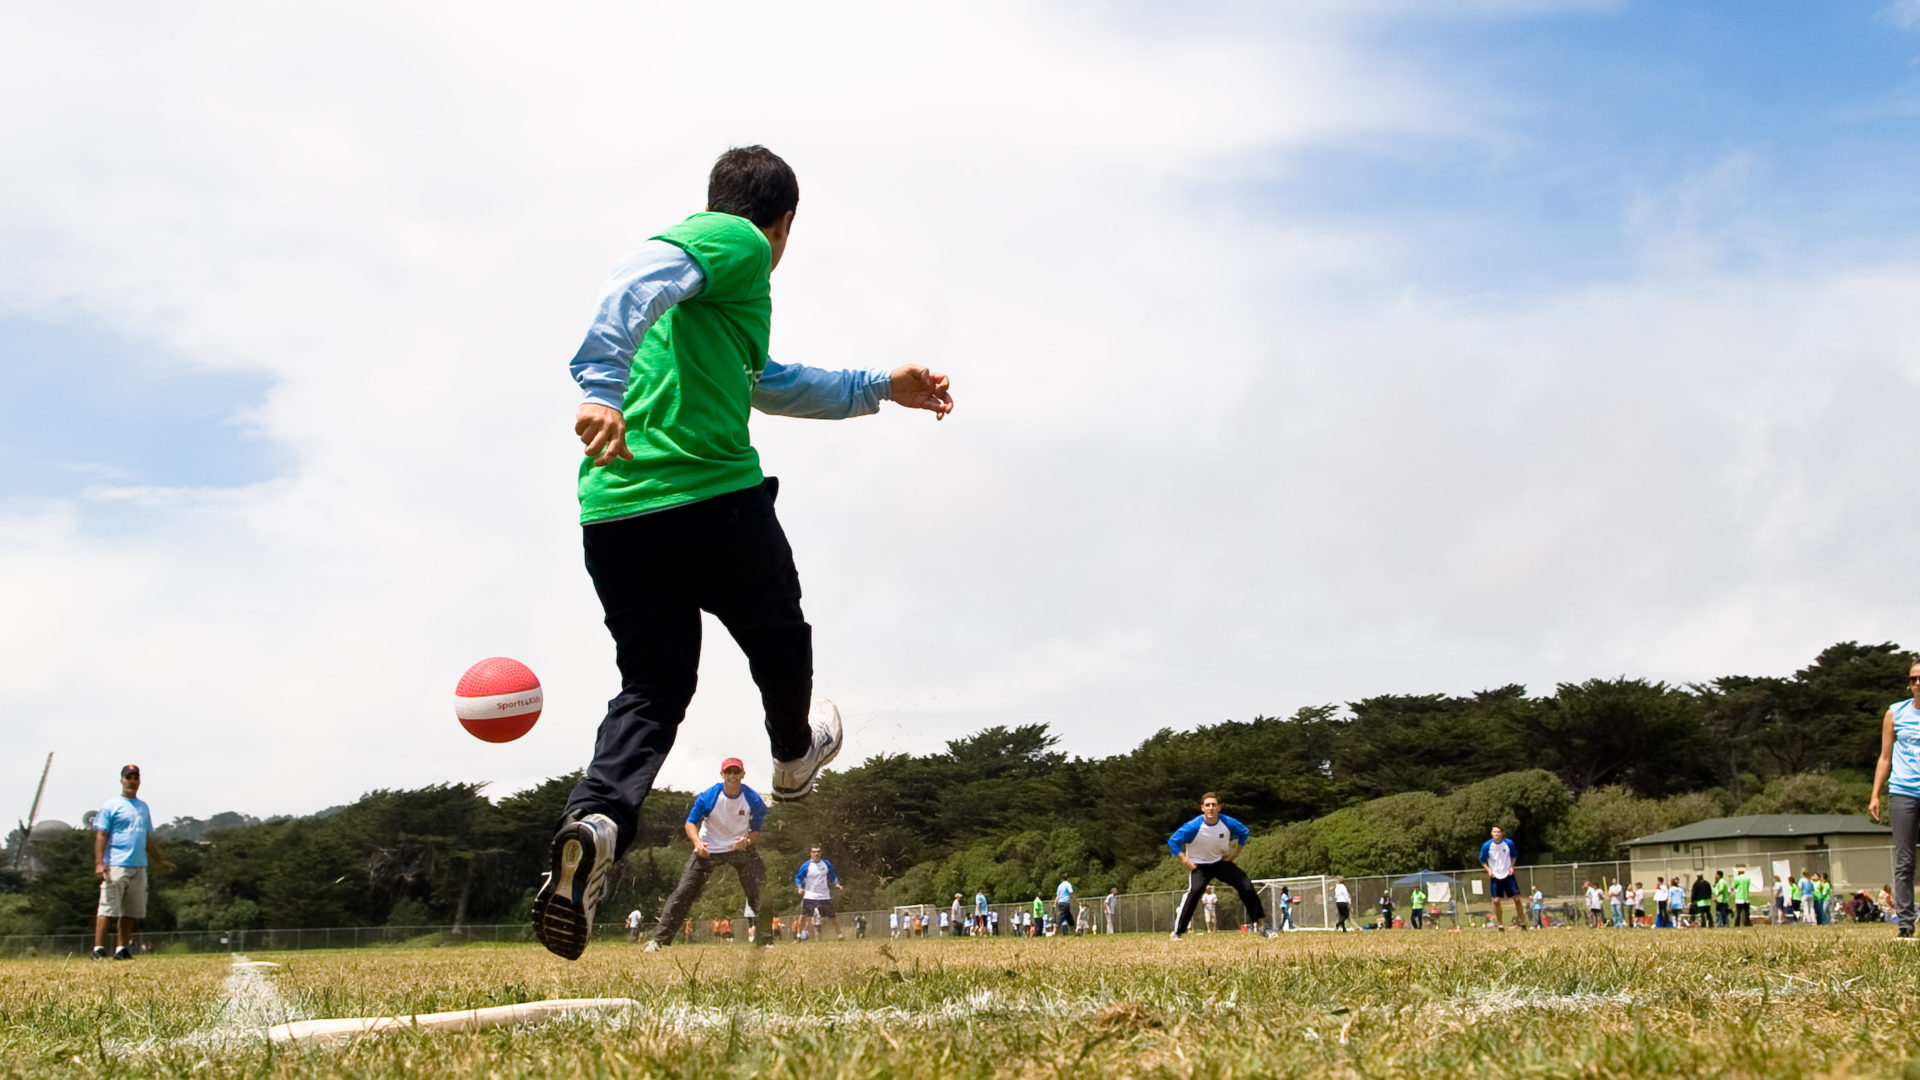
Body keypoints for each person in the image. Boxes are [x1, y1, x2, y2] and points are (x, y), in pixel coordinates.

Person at [532, 146, 956, 961]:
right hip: (713, 501)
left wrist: (877, 386)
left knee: (651, 690)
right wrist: (598, 384)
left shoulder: (716, 311)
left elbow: (769, 378)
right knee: (780, 636)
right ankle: (794, 758)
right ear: (785, 221)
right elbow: (638, 275)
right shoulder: (738, 242)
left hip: (617, 512)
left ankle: (594, 825)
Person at [645, 759, 768, 951]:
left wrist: (748, 841)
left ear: (743, 775)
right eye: (729, 772)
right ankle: (658, 941)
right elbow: (690, 823)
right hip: (709, 849)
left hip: (740, 848)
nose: (733, 776)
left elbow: (760, 833)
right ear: (722, 775)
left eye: (737, 772)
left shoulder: (753, 799)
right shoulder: (710, 796)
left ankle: (765, 940)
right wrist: (697, 842)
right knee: (683, 892)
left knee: (759, 891)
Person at [1166, 792, 1274, 941]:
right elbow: (1173, 841)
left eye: (1214, 805)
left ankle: (1262, 926)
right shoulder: (1193, 826)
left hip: (1220, 862)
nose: (1211, 808)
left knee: (1247, 886)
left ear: (1219, 808)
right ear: (1203, 808)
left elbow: (1244, 833)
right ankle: (1177, 932)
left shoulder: (1228, 823)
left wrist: (1235, 854)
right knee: (1195, 892)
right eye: (1207, 805)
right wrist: (1185, 860)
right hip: (1200, 866)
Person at [91, 765, 173, 961]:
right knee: (108, 908)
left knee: (130, 910)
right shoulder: (111, 806)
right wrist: (99, 863)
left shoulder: (143, 807)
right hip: (116, 864)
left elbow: (145, 837)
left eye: (136, 777)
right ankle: (98, 948)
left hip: (139, 865)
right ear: (122, 780)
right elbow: (101, 835)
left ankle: (122, 948)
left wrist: (159, 861)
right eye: (129, 777)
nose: (132, 781)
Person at [793, 844, 844, 940]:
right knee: (803, 915)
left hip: (824, 895)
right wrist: (799, 887)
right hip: (810, 895)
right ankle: (798, 936)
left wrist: (836, 883)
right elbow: (799, 878)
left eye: (818, 851)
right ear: (810, 853)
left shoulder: (826, 864)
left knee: (832, 916)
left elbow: (832, 875)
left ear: (821, 853)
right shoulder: (806, 866)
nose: (816, 854)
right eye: (814, 852)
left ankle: (840, 935)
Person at [1479, 826, 1520, 930]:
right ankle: (1500, 924)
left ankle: (1522, 921)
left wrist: (1511, 867)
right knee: (1496, 901)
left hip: (1508, 874)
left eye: (1498, 832)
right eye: (1494, 832)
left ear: (1502, 833)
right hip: (1495, 876)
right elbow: (1483, 860)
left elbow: (1514, 856)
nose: (1496, 834)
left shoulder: (1509, 843)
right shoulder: (1486, 846)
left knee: (1516, 898)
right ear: (1491, 833)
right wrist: (1489, 870)